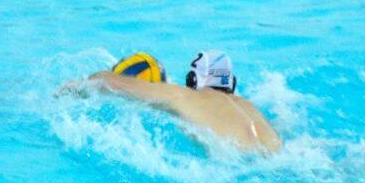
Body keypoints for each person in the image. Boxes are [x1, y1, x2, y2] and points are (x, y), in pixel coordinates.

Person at [87, 51, 282, 153]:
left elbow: (107, 81)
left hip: (233, 165)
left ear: (192, 80)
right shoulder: (251, 108)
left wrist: (74, 87)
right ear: (232, 82)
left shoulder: (186, 97)